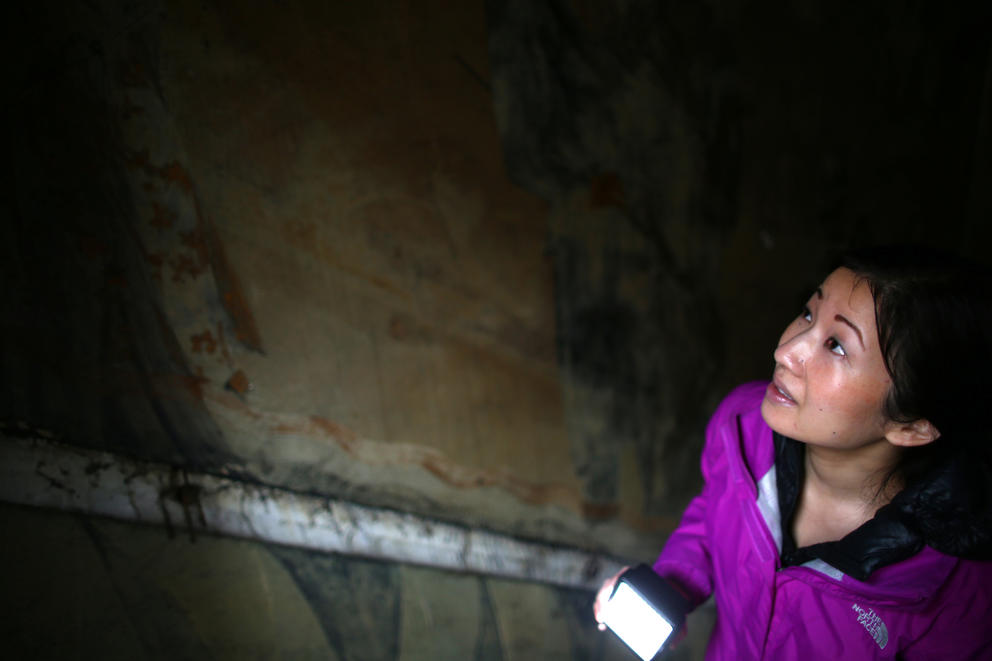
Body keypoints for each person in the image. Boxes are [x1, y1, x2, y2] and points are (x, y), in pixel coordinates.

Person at [593, 246, 992, 659]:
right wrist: (672, 585)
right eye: (807, 313)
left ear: (911, 426)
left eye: (836, 345)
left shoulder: (959, 592)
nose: (786, 351)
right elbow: (714, 514)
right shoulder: (743, 428)